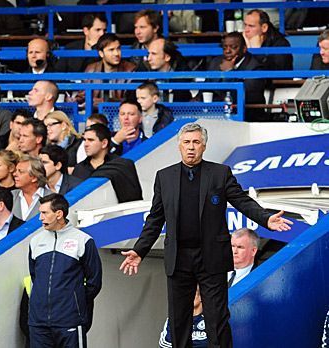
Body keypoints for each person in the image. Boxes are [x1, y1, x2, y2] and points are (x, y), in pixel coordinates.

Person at [119, 123, 293, 347]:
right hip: (178, 259)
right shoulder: (164, 176)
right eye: (186, 142)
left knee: (217, 321)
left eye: (196, 142)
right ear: (179, 146)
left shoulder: (220, 173)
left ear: (204, 146)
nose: (191, 147)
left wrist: (265, 218)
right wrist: (140, 250)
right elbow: (155, 219)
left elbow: (241, 200)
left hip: (211, 258)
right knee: (178, 322)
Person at [28, 193, 102, 347]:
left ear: (59, 214)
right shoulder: (35, 241)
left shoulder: (83, 240)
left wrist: (74, 303)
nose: (40, 218)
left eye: (44, 213)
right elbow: (35, 276)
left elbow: (94, 282)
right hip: (38, 322)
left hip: (70, 320)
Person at [206, 32, 268, 122]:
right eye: (225, 47)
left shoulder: (255, 67)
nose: (228, 51)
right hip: (218, 115)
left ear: (244, 49)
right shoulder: (216, 62)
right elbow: (206, 87)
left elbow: (242, 96)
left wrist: (229, 72)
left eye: (233, 47)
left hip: (249, 118)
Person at [83, 33, 136, 107]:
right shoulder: (91, 69)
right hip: (95, 114)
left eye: (118, 48)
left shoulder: (130, 69)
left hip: (120, 112)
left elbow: (131, 99)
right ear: (101, 53)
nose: (116, 53)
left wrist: (105, 101)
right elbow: (82, 96)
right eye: (111, 50)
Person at [11, 155, 52, 221]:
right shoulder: (11, 196)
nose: (14, 174)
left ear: (34, 177)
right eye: (16, 171)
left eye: (20, 171)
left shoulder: (52, 198)